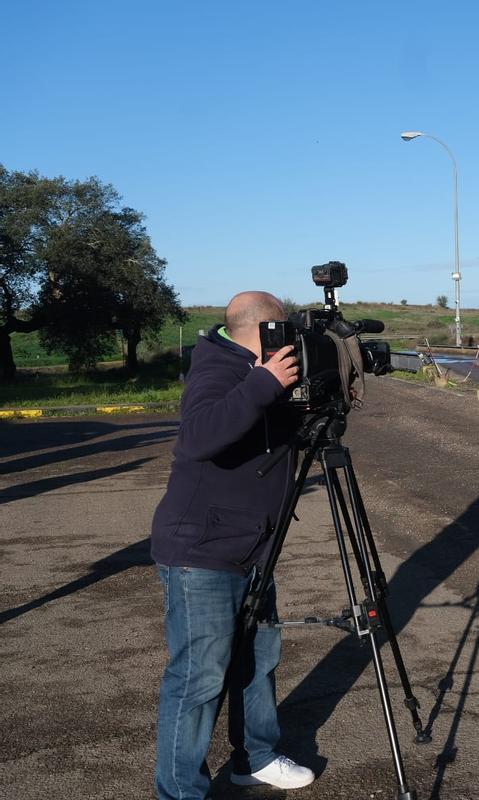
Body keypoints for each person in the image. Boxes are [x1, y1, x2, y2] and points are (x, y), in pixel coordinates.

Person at [150, 291, 314, 800]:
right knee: (199, 680)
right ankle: (179, 793)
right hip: (203, 549)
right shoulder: (219, 369)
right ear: (264, 332)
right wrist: (264, 383)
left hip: (253, 547)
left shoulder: (252, 372)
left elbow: (267, 437)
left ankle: (256, 758)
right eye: (282, 332)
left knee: (258, 660)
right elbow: (197, 438)